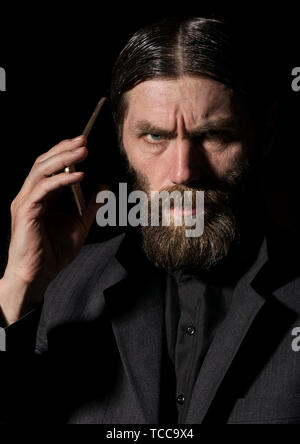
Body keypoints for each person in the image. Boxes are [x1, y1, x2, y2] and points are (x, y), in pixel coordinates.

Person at [0, 17, 299, 424]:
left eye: (214, 135)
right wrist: (18, 288)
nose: (184, 171)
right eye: (155, 136)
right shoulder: (60, 291)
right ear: (121, 140)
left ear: (264, 133)